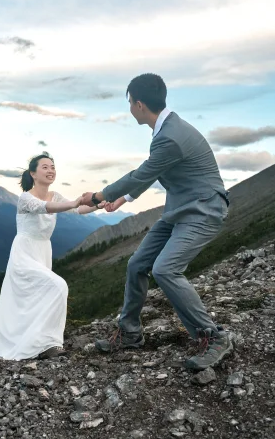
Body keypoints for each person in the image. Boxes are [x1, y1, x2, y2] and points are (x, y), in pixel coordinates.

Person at [79, 73, 233, 370]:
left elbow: (142, 173)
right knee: (137, 264)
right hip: (180, 210)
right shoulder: (168, 129)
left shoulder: (170, 137)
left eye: (128, 103)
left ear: (138, 104)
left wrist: (99, 196)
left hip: (203, 211)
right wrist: (123, 199)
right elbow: (152, 172)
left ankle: (213, 337)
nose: (129, 109)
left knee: (166, 269)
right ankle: (130, 334)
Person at [0, 153, 101, 362]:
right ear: (33, 173)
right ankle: (49, 343)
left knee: (38, 297)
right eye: (45, 167)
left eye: (53, 166)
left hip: (43, 251)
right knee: (57, 286)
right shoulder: (25, 197)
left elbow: (79, 210)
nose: (51, 170)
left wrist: (101, 204)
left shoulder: (56, 195)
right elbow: (45, 208)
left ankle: (42, 341)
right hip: (24, 252)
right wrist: (73, 202)